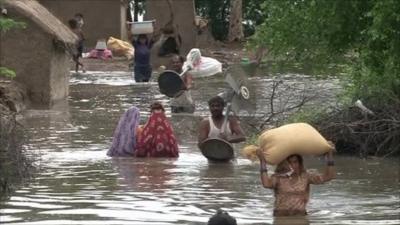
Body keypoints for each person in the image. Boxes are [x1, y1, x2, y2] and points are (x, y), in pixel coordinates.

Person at [256, 148, 336, 217]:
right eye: (289, 162)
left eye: (295, 162)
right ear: (284, 164)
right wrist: (262, 161)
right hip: (281, 218)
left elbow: (329, 176)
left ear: (299, 163)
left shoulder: (306, 177)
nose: (292, 165)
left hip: (300, 217)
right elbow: (266, 184)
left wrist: (330, 155)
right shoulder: (278, 177)